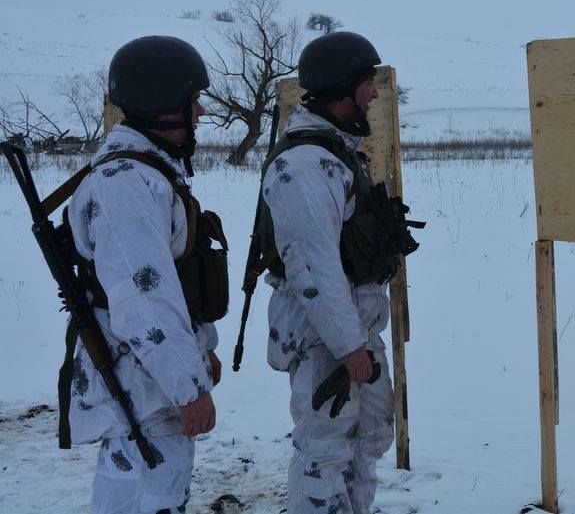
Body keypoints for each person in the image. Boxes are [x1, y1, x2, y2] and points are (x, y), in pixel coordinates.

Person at [66, 36, 225, 513]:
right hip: (140, 383)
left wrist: (202, 352)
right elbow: (143, 300)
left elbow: (174, 284)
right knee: (145, 495)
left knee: (147, 490)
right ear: (161, 101)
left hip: (151, 376)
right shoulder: (127, 185)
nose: (199, 112)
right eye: (191, 100)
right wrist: (188, 386)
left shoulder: (147, 174)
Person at [261, 31, 417, 514]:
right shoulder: (305, 164)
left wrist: (358, 342)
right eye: (366, 82)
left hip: (354, 332)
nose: (374, 92)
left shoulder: (337, 155)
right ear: (340, 88)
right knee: (324, 452)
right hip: (324, 339)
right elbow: (313, 266)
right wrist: (349, 346)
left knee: (367, 442)